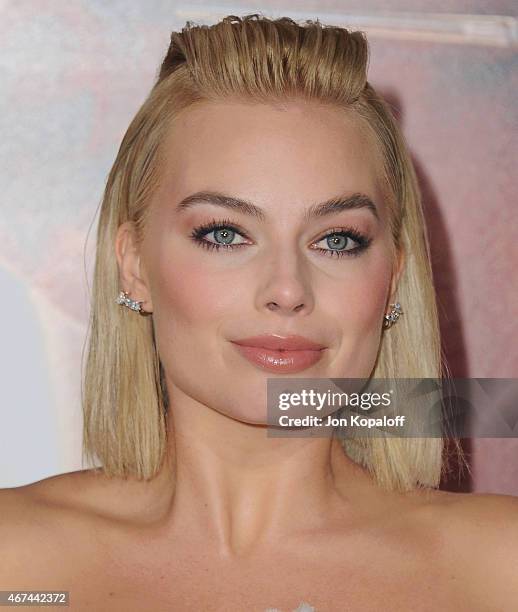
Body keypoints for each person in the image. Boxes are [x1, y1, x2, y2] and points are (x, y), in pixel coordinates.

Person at [1, 14, 517, 612]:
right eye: (224, 234)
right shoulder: (16, 564)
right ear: (134, 263)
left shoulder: (497, 569)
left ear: (392, 278)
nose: (287, 288)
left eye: (338, 239)